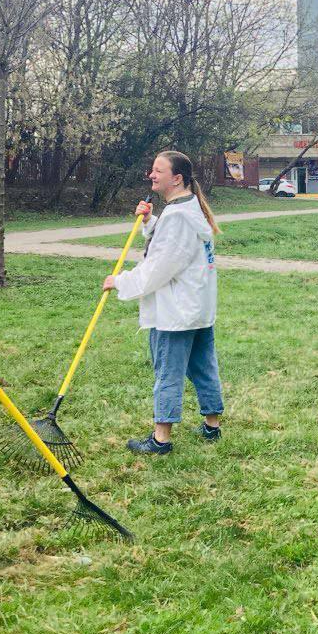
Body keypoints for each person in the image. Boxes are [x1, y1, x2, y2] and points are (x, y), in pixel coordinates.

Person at [106, 151, 223, 454]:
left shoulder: (178, 216)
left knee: (167, 372)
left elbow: (159, 267)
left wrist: (121, 282)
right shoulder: (187, 208)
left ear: (177, 178)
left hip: (177, 311)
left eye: (158, 171)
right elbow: (174, 245)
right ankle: (212, 425)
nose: (151, 175)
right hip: (197, 308)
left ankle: (161, 439)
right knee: (202, 367)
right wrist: (150, 220)